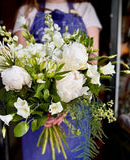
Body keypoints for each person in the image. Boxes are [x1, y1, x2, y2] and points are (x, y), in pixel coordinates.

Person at [13, 0, 102, 159]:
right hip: (37, 107)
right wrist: (42, 107)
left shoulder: (85, 9)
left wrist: (66, 103)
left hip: (75, 105)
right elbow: (21, 63)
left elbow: (92, 62)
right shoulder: (27, 11)